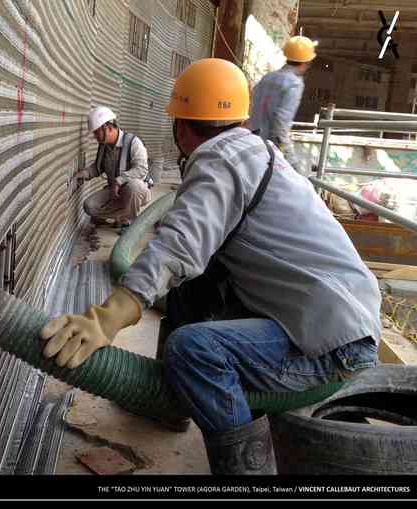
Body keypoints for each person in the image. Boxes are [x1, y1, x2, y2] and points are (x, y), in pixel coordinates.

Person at [40, 58, 381, 475]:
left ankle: (247, 475)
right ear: (239, 116)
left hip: (331, 341)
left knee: (195, 350)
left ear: (181, 126)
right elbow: (192, 250)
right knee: (193, 287)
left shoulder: (220, 160)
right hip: (332, 316)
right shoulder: (251, 149)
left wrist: (108, 316)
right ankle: (170, 404)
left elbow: (178, 244)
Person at [249, 36, 318, 175]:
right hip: (267, 154)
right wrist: (292, 163)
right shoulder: (294, 84)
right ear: (306, 62)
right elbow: (280, 126)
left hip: (250, 144)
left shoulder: (267, 77)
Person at [75, 106, 151, 232]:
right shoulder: (104, 146)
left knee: (135, 187)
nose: (95, 137)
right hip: (115, 192)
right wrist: (83, 174)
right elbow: (98, 168)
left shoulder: (133, 142)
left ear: (108, 128)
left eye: (96, 132)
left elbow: (142, 169)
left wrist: (119, 180)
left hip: (136, 192)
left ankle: (129, 222)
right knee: (89, 206)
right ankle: (120, 216)